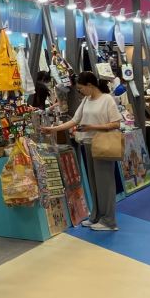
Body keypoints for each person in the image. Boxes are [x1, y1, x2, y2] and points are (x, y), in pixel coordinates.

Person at [41, 71, 121, 231]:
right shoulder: (86, 100)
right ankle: (96, 216)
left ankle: (109, 221)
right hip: (88, 144)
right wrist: (53, 129)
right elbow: (74, 120)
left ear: (90, 85)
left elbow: (116, 123)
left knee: (105, 184)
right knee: (94, 183)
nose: (80, 91)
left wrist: (92, 127)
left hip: (103, 145)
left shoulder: (107, 100)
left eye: (81, 88)